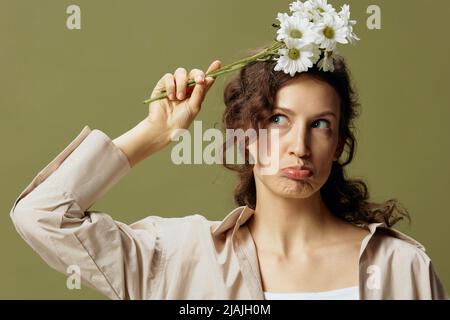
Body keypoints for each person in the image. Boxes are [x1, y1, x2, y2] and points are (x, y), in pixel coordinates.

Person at [10, 52, 448, 300]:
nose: (299, 145)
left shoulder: (400, 267)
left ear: (337, 145)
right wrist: (155, 133)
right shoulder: (177, 259)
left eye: (320, 124)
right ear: (246, 136)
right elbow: (42, 215)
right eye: (278, 119)